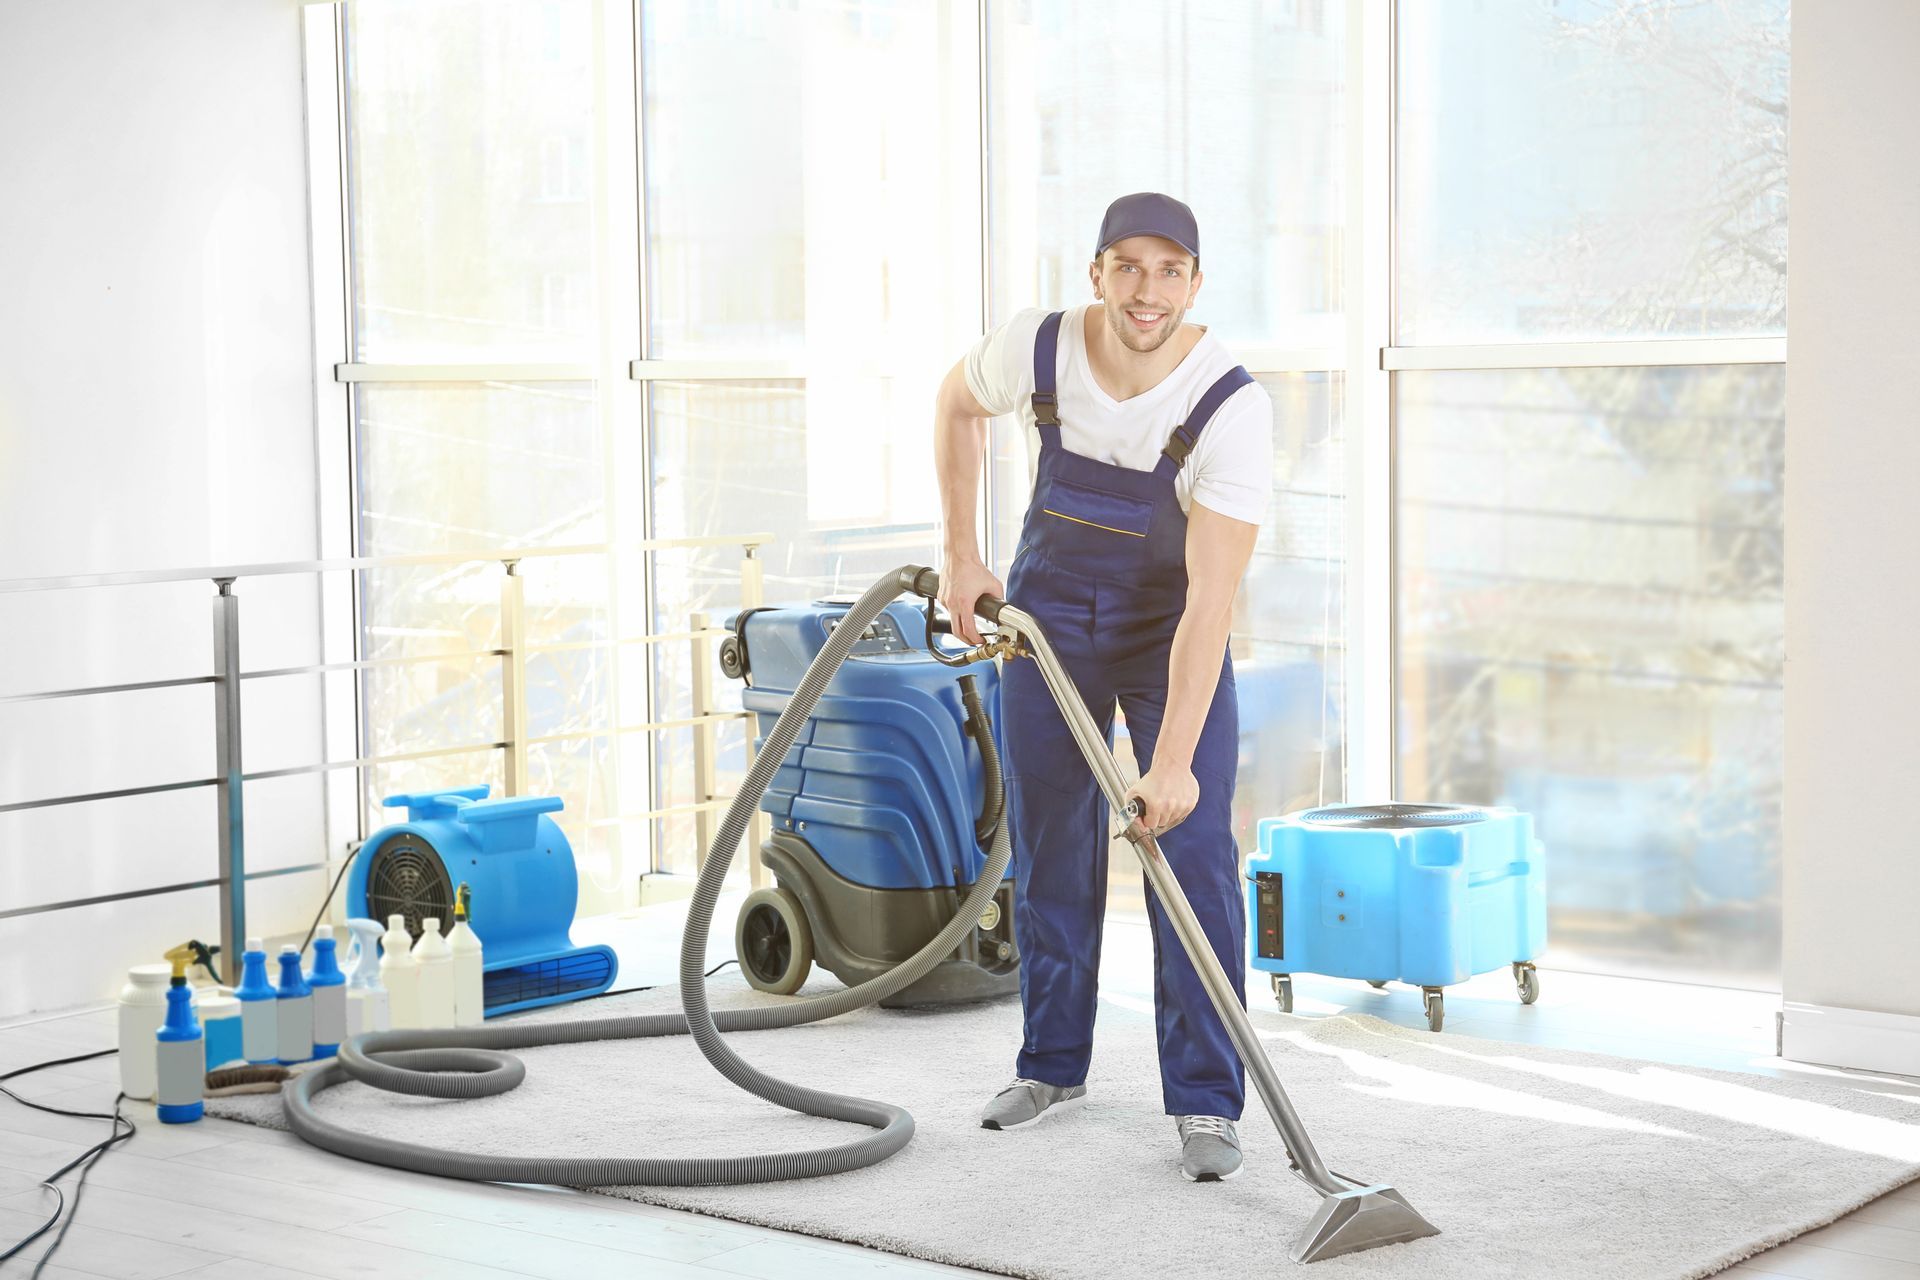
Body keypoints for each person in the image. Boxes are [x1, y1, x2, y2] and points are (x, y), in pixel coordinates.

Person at [932, 192, 1273, 1181]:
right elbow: (953, 405)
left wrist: (1171, 767)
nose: (1148, 290)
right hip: (1046, 626)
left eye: (1171, 271)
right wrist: (963, 558)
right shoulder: (1038, 350)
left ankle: (1208, 1104)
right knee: (1050, 843)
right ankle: (1051, 1065)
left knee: (1196, 855)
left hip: (1170, 638)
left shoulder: (1227, 405)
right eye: (1128, 266)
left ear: (1196, 284)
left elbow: (1211, 599)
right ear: (1096, 273)